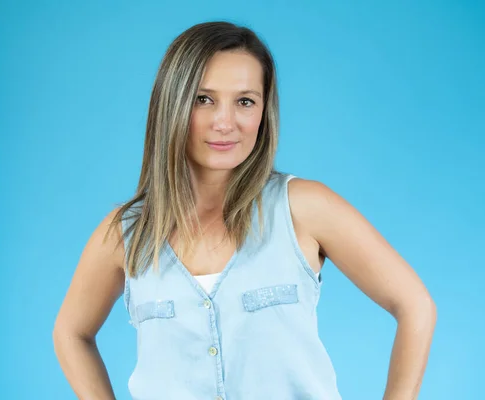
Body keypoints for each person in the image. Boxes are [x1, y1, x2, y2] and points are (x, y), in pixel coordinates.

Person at [53, 21, 437, 400]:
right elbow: (71, 333)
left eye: (245, 101)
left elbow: (415, 305)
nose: (225, 123)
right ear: (172, 105)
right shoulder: (126, 233)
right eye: (204, 99)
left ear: (263, 112)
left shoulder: (303, 208)